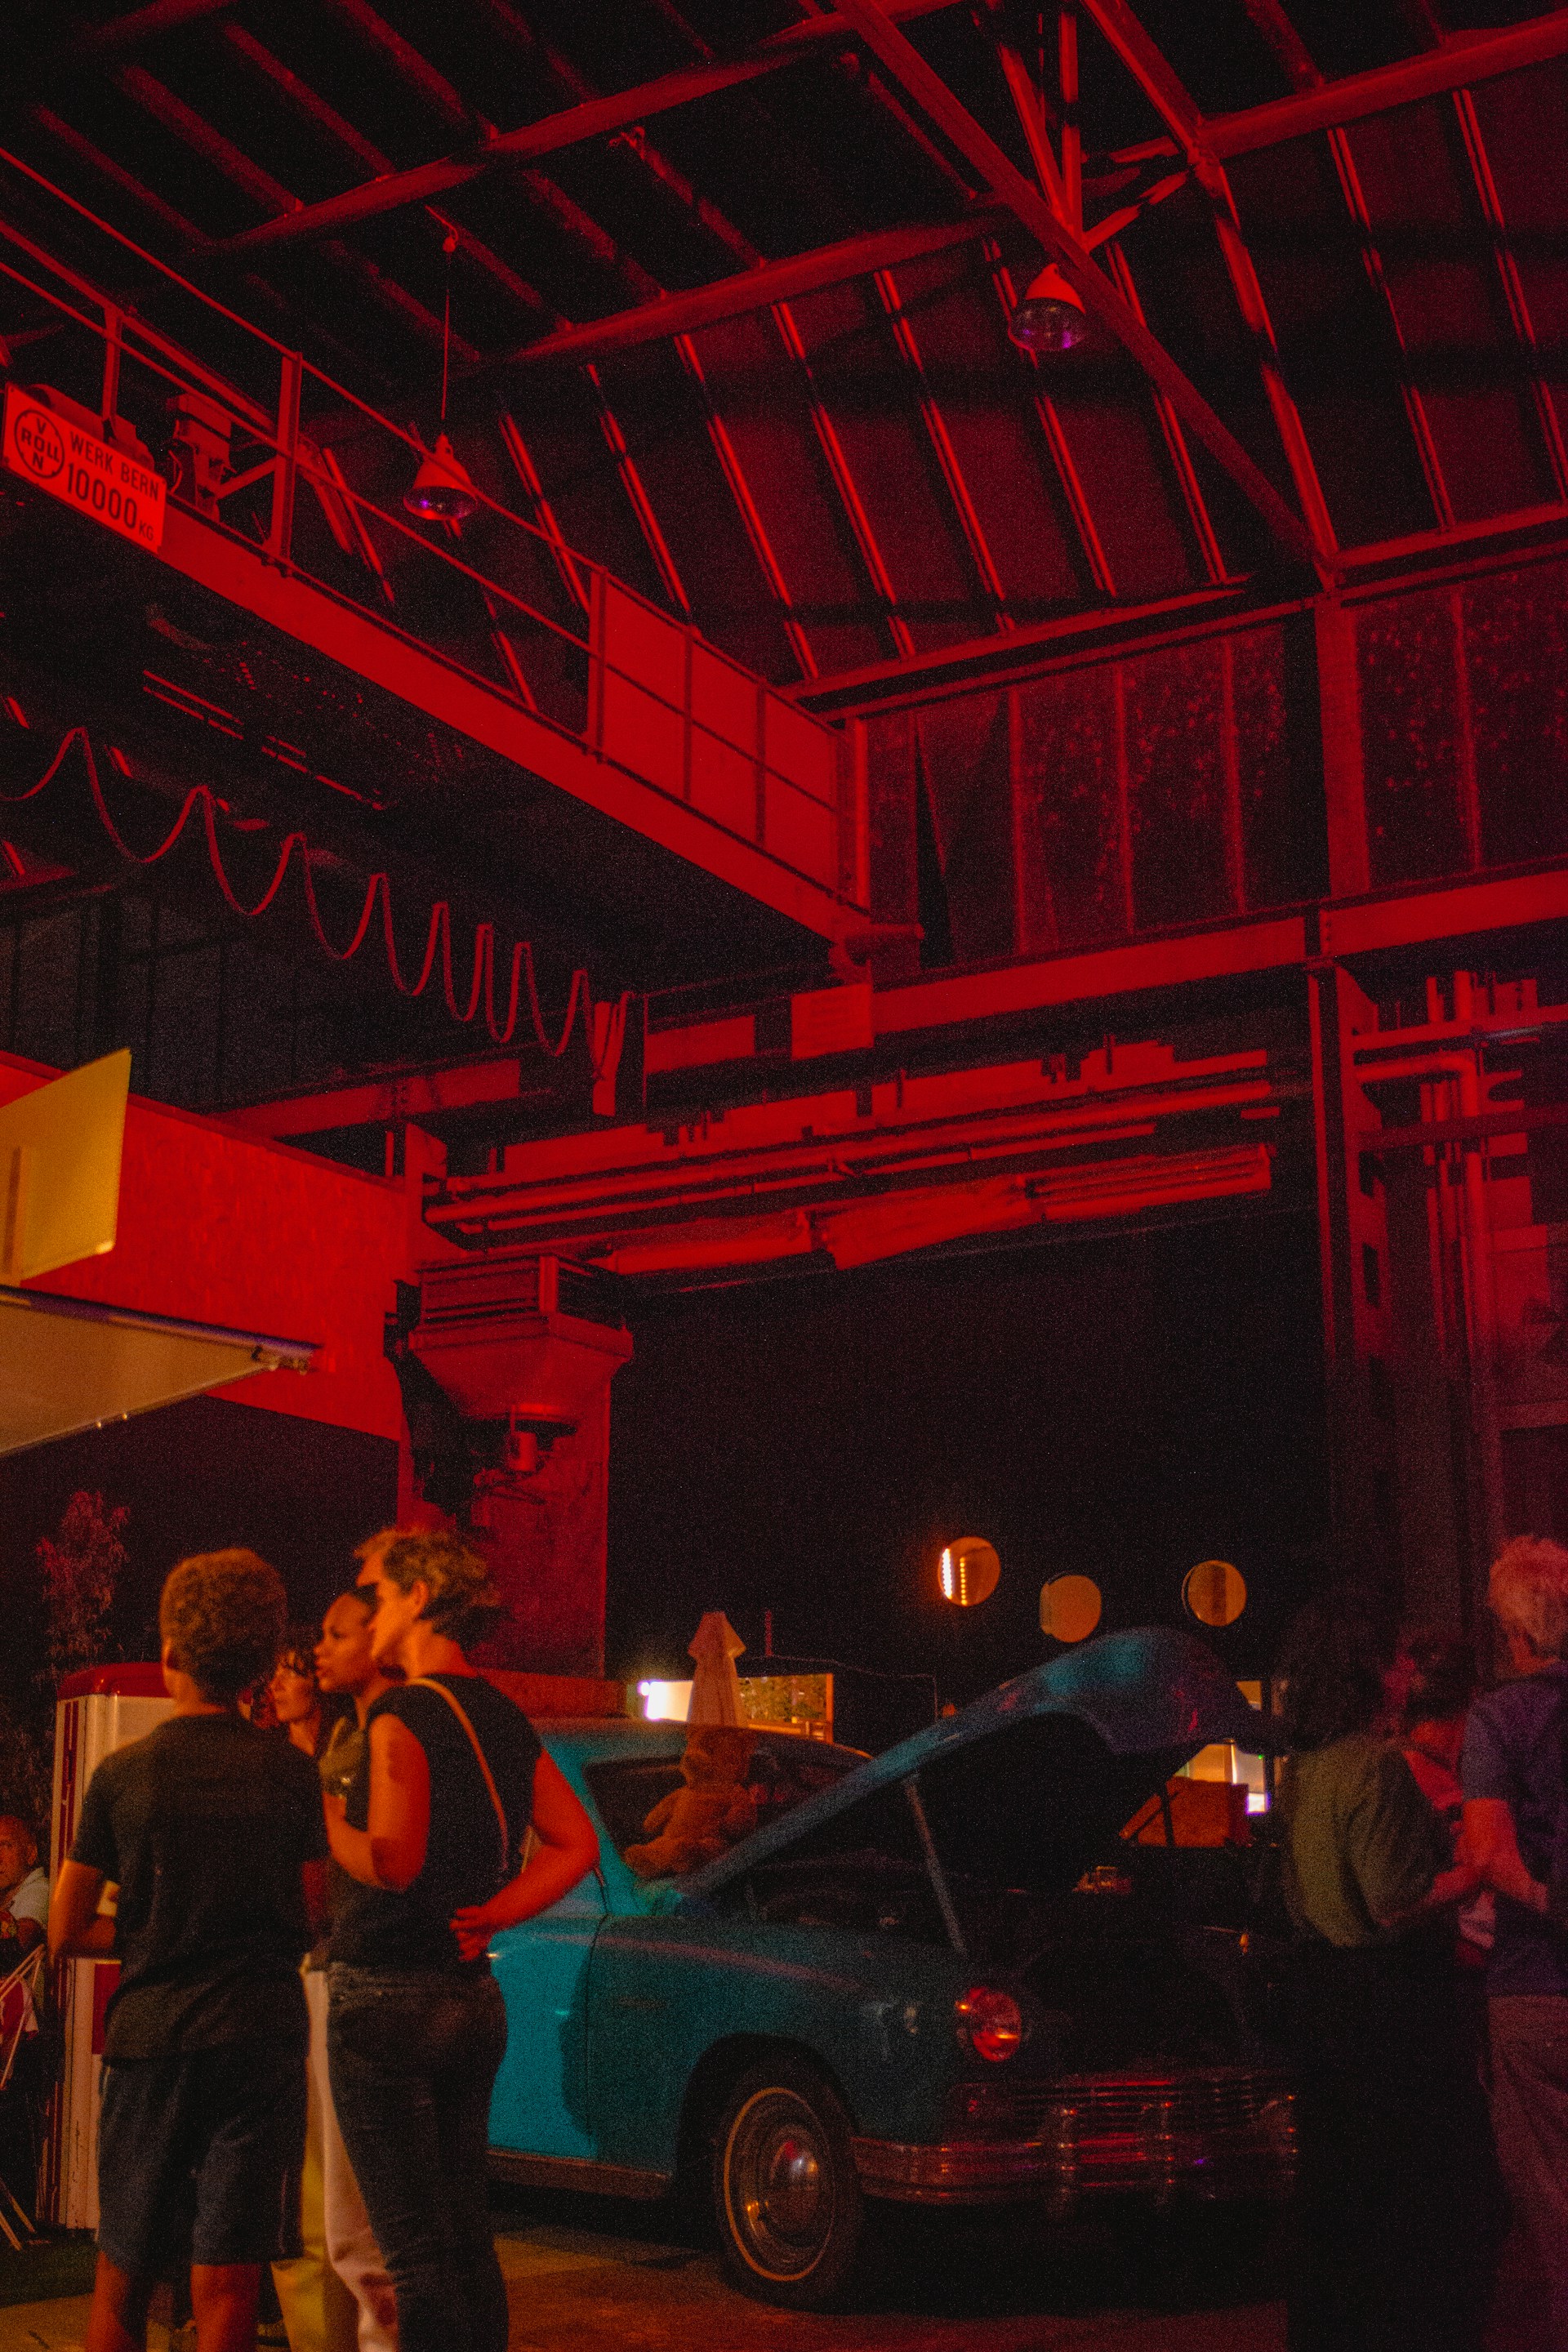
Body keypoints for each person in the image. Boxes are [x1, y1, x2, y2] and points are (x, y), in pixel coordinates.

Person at [324, 1528, 599, 2352]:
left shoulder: (401, 1712)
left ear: (415, 1599)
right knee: (467, 2238)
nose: (366, 1612)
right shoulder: (503, 1714)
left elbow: (394, 1863)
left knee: (414, 2254)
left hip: (385, 1999)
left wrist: (327, 1819)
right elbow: (575, 1842)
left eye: (374, 1594)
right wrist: (497, 1913)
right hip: (472, 1996)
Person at [47, 1550, 327, 2352]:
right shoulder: (291, 1776)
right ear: (259, 1667)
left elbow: (65, 1930)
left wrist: (143, 1939)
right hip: (260, 2043)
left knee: (125, 2273)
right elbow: (313, 1914)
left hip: (151, 2044)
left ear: (171, 1656)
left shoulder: (123, 1775)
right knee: (229, 2279)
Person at [1276, 1605, 1490, 2352]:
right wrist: (1479, 1871)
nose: (1407, 1674)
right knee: (1427, 2192)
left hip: (1324, 1997)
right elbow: (1397, 1900)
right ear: (1368, 1671)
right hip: (1391, 2007)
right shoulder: (1373, 1763)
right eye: (1397, 1660)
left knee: (1340, 2194)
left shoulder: (1305, 1766)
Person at [272, 1593, 398, 2352]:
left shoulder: (363, 1745)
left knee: (346, 2203)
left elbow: (367, 1866)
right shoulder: (323, 1754)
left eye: (330, 1637)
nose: (313, 1659)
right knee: (330, 2197)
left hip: (339, 1968)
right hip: (324, 1967)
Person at [1462, 1535, 1568, 2350]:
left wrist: (1550, 1902)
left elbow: (1491, 1857)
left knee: (1552, 2203)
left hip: (1535, 1985)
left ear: (1521, 1632)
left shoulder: (1498, 1718)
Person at [270, 1636, 329, 1762]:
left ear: (318, 1680)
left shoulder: (348, 1743)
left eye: (290, 1674)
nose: (275, 1685)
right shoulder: (271, 1757)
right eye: (275, 1674)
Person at [0, 1818, 49, 1956]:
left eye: (7, 1846)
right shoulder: (9, 1891)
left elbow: (21, 1941)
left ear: (30, 1854)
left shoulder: (39, 1890)